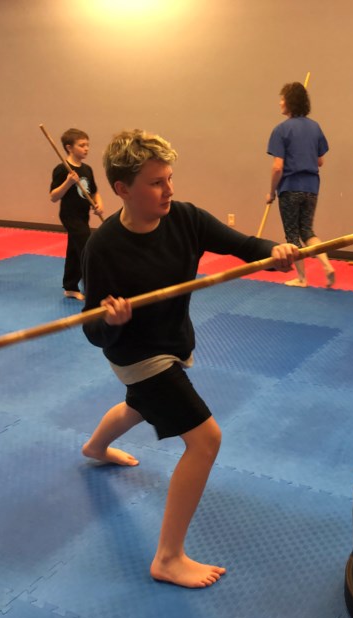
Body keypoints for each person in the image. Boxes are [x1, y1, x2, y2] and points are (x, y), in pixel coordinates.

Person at [80, 129, 298, 588]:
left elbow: (243, 244)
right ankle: (168, 557)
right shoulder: (103, 247)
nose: (169, 190)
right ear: (123, 189)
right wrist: (111, 320)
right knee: (205, 440)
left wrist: (272, 253)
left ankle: (95, 448)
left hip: (172, 341)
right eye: (156, 182)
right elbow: (91, 327)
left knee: (141, 405)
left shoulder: (185, 219)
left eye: (169, 178)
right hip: (136, 353)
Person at [265, 82, 335, 288]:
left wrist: (270, 193)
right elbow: (320, 160)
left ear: (290, 102)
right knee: (308, 231)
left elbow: (278, 167)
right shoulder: (315, 127)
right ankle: (327, 266)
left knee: (292, 234)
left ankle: (302, 278)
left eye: (282, 98)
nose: (280, 102)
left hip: (290, 187)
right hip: (311, 187)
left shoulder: (281, 130)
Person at [49, 128, 105, 301]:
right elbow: (53, 196)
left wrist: (99, 204)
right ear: (69, 148)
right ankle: (92, 288)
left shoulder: (87, 169)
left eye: (87, 145)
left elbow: (94, 191)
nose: (86, 148)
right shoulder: (61, 169)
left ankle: (70, 286)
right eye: (81, 145)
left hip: (83, 215)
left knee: (74, 250)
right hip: (70, 215)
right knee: (87, 248)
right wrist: (67, 183)